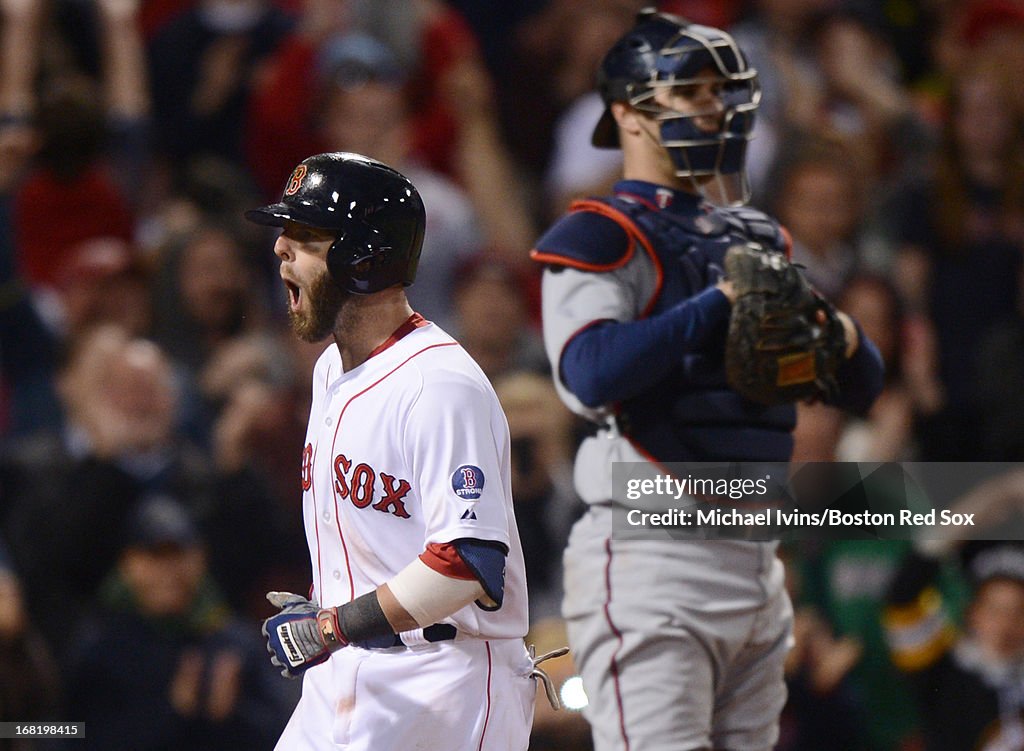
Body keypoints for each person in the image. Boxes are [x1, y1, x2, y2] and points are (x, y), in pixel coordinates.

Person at [530, 10, 885, 751]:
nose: (711, 108)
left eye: (718, 93)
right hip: (652, 552)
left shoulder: (757, 236)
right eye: (689, 91)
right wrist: (717, 303)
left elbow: (862, 385)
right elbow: (588, 374)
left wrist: (840, 334)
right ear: (628, 111)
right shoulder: (597, 233)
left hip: (757, 557)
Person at [245, 152, 539, 750]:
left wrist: (332, 624)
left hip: (445, 685)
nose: (279, 248)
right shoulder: (330, 369)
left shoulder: (439, 385)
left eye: (303, 235)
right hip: (346, 673)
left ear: (362, 256)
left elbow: (468, 562)